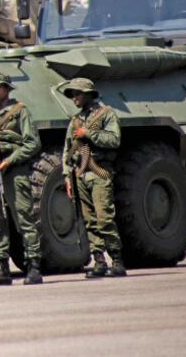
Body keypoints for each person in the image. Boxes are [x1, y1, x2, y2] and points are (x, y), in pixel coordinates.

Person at [0, 73, 43, 286]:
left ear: (7, 89)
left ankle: (33, 266)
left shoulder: (20, 111)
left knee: (24, 217)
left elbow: (33, 143)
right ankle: (1, 267)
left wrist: (10, 160)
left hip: (14, 170)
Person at [61, 77, 126, 278]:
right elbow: (68, 150)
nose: (74, 98)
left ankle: (116, 260)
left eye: (78, 94)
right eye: (72, 95)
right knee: (89, 220)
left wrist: (89, 133)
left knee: (104, 217)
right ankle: (99, 261)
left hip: (99, 171)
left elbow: (114, 140)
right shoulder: (75, 121)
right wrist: (67, 176)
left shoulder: (106, 115)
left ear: (89, 95)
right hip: (80, 173)